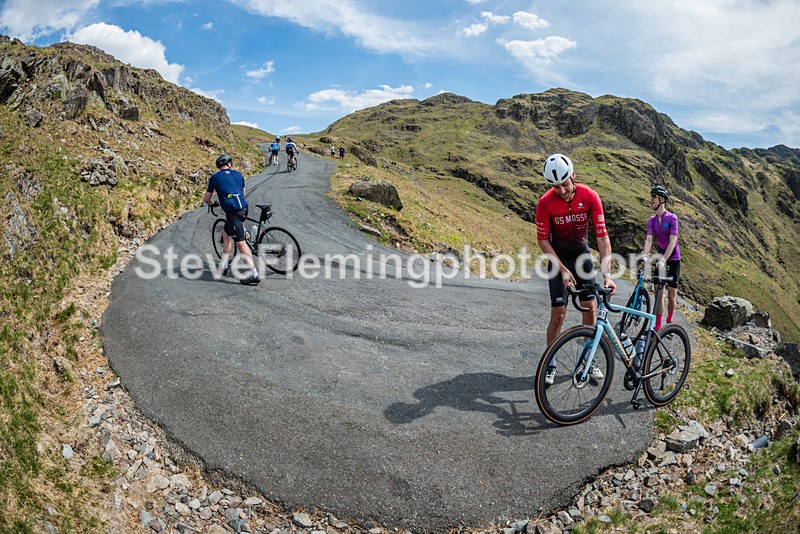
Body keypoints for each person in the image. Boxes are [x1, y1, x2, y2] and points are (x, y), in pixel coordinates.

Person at [536, 153, 617, 384]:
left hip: (582, 257)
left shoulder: (590, 196)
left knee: (590, 309)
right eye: (555, 186)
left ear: (573, 175)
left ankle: (588, 360)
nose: (561, 190)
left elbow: (602, 237)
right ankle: (549, 363)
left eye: (564, 184)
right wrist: (561, 268)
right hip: (558, 259)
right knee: (558, 314)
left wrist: (607, 275)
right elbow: (543, 240)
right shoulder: (545, 203)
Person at [203, 154, 260, 285]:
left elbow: (206, 199)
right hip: (243, 209)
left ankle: (253, 274)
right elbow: (243, 194)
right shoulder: (239, 175)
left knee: (240, 243)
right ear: (230, 164)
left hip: (233, 212)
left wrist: (213, 204)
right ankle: (223, 265)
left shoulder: (215, 177)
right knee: (226, 233)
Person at [642, 184, 680, 331]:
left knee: (671, 296)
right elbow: (649, 240)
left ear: (662, 199)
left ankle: (669, 320)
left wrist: (664, 260)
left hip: (673, 259)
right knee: (658, 292)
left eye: (654, 197)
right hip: (661, 260)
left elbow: (673, 241)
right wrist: (645, 256)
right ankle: (657, 326)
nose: (651, 200)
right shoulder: (651, 220)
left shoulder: (672, 218)